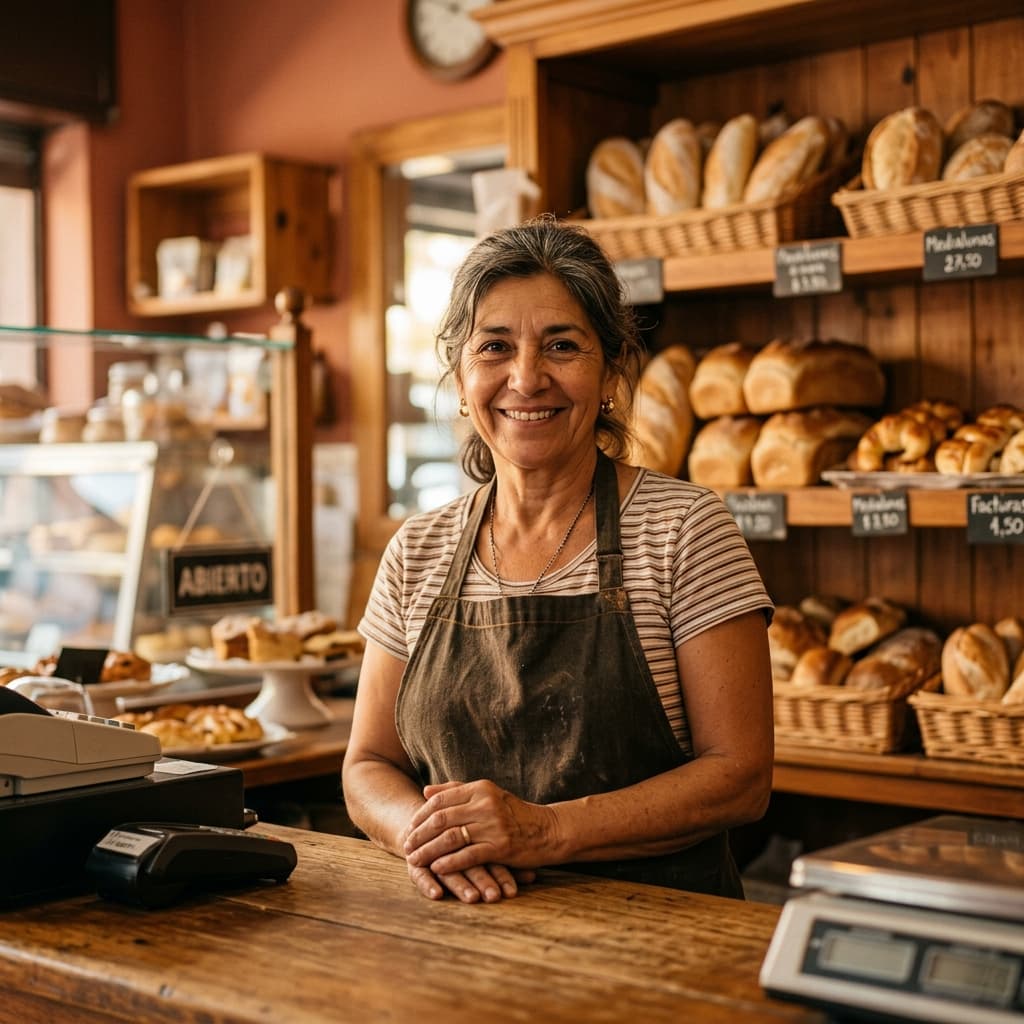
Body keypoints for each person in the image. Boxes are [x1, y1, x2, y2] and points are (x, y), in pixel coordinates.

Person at [342, 217, 774, 904]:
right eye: (495, 347)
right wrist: (427, 838)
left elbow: (741, 777)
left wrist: (543, 832)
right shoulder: (416, 551)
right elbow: (368, 765)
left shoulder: (685, 529)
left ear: (609, 372)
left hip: (661, 944)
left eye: (562, 345)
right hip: (458, 938)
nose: (526, 377)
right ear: (461, 377)